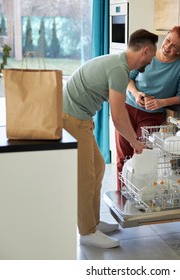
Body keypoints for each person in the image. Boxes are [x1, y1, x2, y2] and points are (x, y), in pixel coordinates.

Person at [63, 29, 158, 248]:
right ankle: (87, 232)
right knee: (86, 176)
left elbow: (118, 108)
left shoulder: (119, 64)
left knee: (97, 168)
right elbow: (118, 116)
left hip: (79, 117)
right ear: (145, 51)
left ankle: (93, 223)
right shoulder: (119, 70)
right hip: (71, 118)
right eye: (152, 55)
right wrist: (135, 142)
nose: (151, 61)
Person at [115, 26, 180, 190]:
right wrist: (136, 93)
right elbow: (127, 77)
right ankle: (121, 197)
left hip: (151, 117)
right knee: (123, 156)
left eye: (175, 46)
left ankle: (140, 199)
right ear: (165, 37)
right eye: (168, 40)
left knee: (142, 158)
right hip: (128, 109)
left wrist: (161, 102)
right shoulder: (148, 55)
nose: (168, 47)